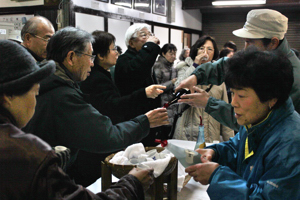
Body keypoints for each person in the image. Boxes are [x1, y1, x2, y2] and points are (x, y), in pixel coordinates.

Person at [0, 39, 154, 200]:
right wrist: (132, 183)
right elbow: (105, 135)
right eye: (34, 93)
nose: (35, 101)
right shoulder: (24, 152)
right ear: (8, 96)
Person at [23, 27, 169, 184]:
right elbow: (107, 136)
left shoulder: (45, 83)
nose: (92, 64)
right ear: (71, 57)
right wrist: (145, 122)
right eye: (90, 56)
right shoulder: (62, 95)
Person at [185, 47, 300, 199]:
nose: (233, 103)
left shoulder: (290, 144)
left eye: (241, 95)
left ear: (271, 98)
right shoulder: (257, 119)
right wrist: (216, 153)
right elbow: (237, 147)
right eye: (232, 93)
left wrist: (217, 177)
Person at [175, 9, 300, 133]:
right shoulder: (262, 57)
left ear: (273, 42)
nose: (245, 48)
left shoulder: (291, 79)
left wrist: (209, 103)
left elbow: (255, 123)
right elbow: (230, 64)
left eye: (249, 42)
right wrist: (197, 76)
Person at [78, 31, 166, 186]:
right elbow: (113, 106)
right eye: (113, 49)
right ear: (100, 56)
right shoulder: (97, 78)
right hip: (99, 144)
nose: (117, 52)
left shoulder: (103, 74)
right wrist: (143, 93)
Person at [173, 35, 234, 143]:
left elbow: (225, 106)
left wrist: (231, 142)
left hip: (209, 134)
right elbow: (177, 87)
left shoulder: (219, 76)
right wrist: (195, 65)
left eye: (209, 49)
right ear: (195, 50)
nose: (205, 52)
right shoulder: (185, 67)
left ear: (214, 53)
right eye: (201, 48)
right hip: (186, 133)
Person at [114, 23, 164, 146]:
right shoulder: (124, 60)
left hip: (148, 118)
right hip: (133, 119)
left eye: (150, 34)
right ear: (131, 43)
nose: (149, 38)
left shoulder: (145, 60)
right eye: (143, 35)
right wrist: (150, 46)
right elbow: (137, 71)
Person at [152, 43, 178, 134]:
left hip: (172, 103)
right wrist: (172, 83)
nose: (174, 56)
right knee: (162, 132)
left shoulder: (174, 68)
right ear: (163, 53)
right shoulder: (157, 66)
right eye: (171, 54)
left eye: (175, 54)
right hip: (161, 103)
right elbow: (156, 87)